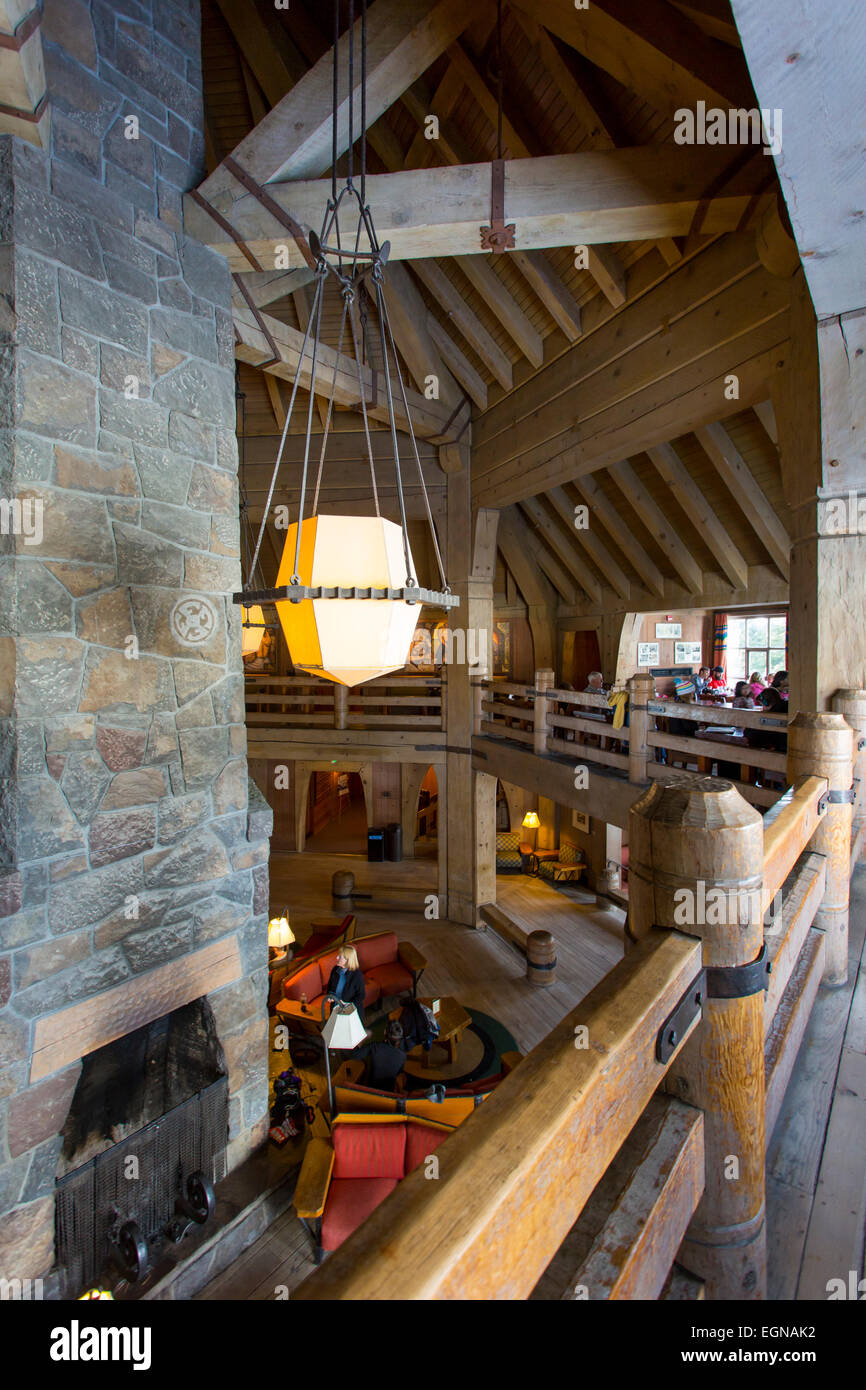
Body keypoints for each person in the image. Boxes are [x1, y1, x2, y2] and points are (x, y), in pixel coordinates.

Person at [354, 1021, 407, 1093]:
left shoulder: (375, 1047)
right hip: (389, 1094)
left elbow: (355, 1055)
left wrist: (363, 1037)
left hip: (370, 1091)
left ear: (385, 1032)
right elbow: (399, 1072)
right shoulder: (402, 1056)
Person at [324, 944, 366, 1024]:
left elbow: (361, 995)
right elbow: (330, 987)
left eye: (340, 957)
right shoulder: (335, 970)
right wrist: (330, 995)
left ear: (348, 960)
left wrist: (348, 1004)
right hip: (335, 1009)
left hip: (350, 1013)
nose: (337, 958)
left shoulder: (357, 975)